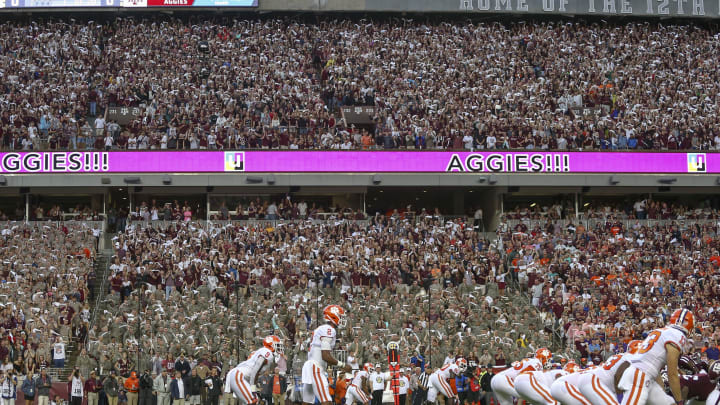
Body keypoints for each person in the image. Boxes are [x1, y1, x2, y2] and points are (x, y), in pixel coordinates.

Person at [617, 308, 692, 405]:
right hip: (640, 376)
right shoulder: (677, 335)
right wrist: (680, 401)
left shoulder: (660, 331)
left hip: (645, 375)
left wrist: (663, 394)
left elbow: (654, 367)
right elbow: (672, 374)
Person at [302, 305, 351, 405]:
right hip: (316, 367)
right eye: (340, 316)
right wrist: (343, 365)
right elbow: (325, 356)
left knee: (307, 402)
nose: (342, 319)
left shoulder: (323, 328)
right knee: (327, 402)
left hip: (311, 365)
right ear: (333, 316)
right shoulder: (329, 329)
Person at [576, 340, 642, 405]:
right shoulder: (631, 358)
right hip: (596, 382)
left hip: (595, 381)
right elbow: (618, 376)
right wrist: (620, 397)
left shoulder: (620, 355)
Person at [226, 336, 283, 405]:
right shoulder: (267, 353)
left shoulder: (260, 352)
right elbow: (255, 371)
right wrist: (253, 387)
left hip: (240, 376)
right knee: (252, 401)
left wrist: (254, 387)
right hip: (239, 376)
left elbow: (254, 371)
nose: (279, 347)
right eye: (277, 345)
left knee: (255, 401)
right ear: (270, 344)